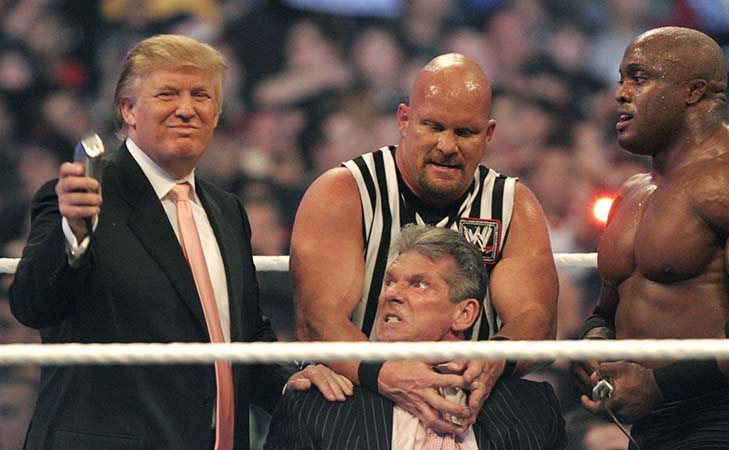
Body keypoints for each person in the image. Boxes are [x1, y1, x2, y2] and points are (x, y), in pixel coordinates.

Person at [8, 34, 320, 450]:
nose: (186, 109)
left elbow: (243, 336)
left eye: (201, 95)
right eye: (168, 94)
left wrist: (295, 386)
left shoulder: (226, 210)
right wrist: (75, 233)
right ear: (128, 110)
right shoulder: (83, 195)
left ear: (217, 112)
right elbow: (32, 305)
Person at [571, 27, 729, 449]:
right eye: (621, 80)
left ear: (693, 92)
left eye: (639, 77)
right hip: (650, 427)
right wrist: (595, 346)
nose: (621, 94)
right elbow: (609, 307)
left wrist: (659, 383)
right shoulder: (633, 193)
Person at [290, 52, 558, 434]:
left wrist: (493, 359)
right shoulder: (343, 193)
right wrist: (389, 374)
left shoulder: (514, 206)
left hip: (469, 405)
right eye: (433, 127)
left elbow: (538, 320)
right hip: (361, 406)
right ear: (404, 120)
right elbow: (318, 319)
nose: (447, 146)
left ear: (489, 134)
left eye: (464, 132)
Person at [266, 225, 567, 449]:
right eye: (390, 281)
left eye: (419, 284)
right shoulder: (320, 405)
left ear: (464, 314)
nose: (393, 294)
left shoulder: (532, 408)